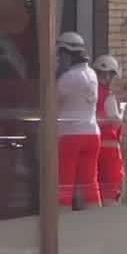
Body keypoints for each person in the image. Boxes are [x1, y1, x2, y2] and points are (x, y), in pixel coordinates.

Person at [54, 32, 103, 209]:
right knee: (90, 184)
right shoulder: (92, 75)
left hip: (70, 135)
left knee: (65, 184)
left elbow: (51, 102)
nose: (59, 59)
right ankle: (96, 221)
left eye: (60, 54)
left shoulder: (67, 78)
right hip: (92, 134)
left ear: (67, 53)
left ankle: (62, 224)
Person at [93, 54, 127, 204]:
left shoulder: (90, 94)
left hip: (93, 148)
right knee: (110, 191)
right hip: (109, 152)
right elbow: (115, 123)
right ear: (109, 76)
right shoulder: (109, 98)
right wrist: (123, 115)